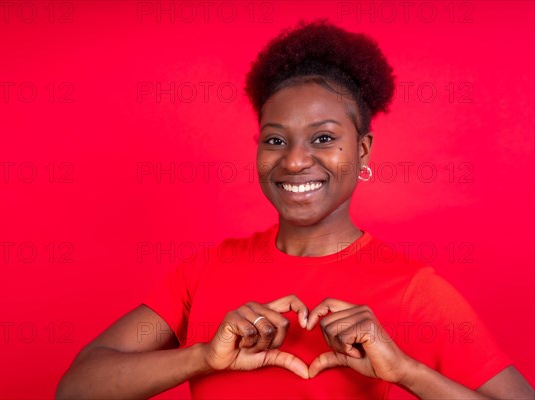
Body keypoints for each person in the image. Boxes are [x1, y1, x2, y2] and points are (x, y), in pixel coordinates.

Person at [56, 19, 534, 399]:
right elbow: (77, 388)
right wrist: (203, 356)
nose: (295, 160)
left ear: (363, 151)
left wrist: (406, 371)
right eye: (275, 140)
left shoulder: (412, 289)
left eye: (324, 138)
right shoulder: (204, 270)